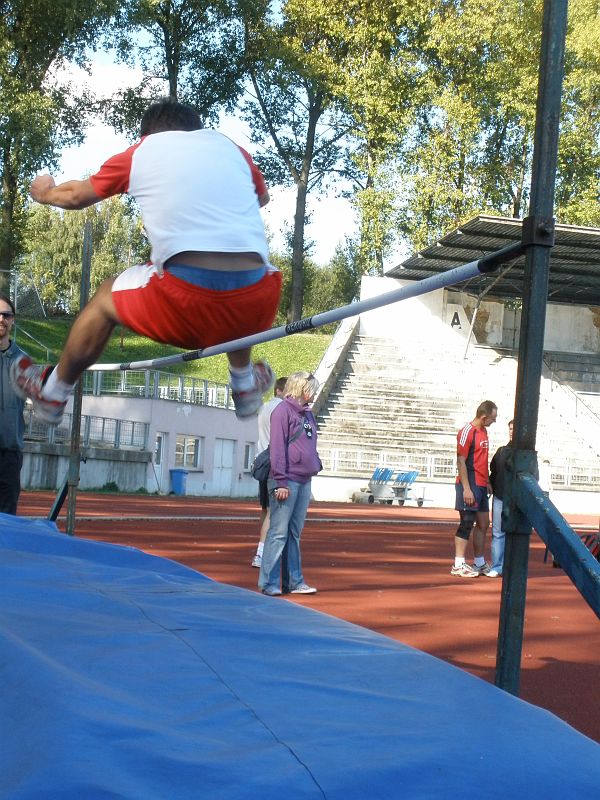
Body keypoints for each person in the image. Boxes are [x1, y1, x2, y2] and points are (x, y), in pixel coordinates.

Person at [11, 99, 281, 424]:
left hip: (185, 305)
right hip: (257, 306)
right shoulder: (231, 148)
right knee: (241, 272)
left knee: (105, 298)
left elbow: (75, 196)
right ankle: (244, 385)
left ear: (147, 133)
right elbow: (261, 197)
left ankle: (53, 392)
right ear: (196, 128)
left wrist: (44, 193)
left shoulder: (142, 151)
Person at [259, 372, 322, 596]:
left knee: (293, 533)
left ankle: (294, 581)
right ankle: (269, 583)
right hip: (286, 480)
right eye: (312, 389)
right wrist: (281, 482)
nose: (314, 393)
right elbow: (277, 448)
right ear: (302, 388)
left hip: (304, 480)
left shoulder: (308, 415)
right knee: (278, 532)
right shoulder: (282, 412)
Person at [451, 400, 497, 577]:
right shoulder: (467, 432)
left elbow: (481, 459)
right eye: (492, 418)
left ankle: (479, 562)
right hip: (469, 483)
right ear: (484, 417)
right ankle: (458, 563)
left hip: (480, 483)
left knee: (484, 523)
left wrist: (486, 481)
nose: (494, 422)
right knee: (467, 522)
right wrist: (466, 489)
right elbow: (461, 460)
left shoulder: (484, 432)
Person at [252, 376, 287, 568]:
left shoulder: (264, 408)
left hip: (262, 460)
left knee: (265, 509)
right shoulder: (281, 409)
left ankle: (261, 549)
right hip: (274, 461)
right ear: (280, 391)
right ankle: (263, 552)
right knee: (275, 511)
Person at [0, 295, 28, 514]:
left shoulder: (23, 361)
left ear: (13, 320)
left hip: (10, 451)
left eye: (6, 315)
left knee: (7, 518)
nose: (1, 319)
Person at [488, 419, 514, 578]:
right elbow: (493, 471)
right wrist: (490, 484)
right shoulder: (501, 451)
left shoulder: (526, 453)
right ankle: (497, 566)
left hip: (517, 500)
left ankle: (511, 566)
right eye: (510, 428)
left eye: (514, 428)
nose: (512, 431)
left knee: (514, 534)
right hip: (499, 497)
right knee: (498, 533)